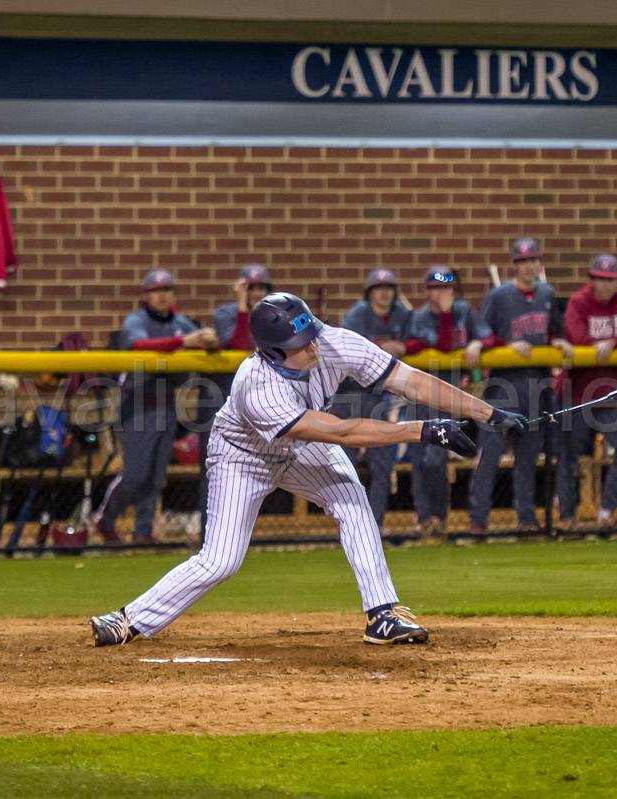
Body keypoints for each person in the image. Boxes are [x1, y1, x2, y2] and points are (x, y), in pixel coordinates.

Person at [87, 293, 526, 647]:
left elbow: (410, 380)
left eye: (312, 334)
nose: (314, 346)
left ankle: (383, 614)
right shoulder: (257, 385)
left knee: (353, 500)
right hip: (244, 456)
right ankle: (129, 619)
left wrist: (488, 413)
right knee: (221, 561)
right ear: (274, 351)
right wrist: (423, 430)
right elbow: (339, 432)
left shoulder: (335, 341)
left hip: (304, 444)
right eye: (302, 344)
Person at [96, 269, 219, 545]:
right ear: (146, 295)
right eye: (156, 291)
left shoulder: (179, 322)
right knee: (135, 474)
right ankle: (104, 518)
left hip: (165, 405)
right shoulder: (136, 320)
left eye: (167, 290)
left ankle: (142, 532)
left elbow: (202, 338)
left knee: (155, 477)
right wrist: (183, 342)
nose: (162, 295)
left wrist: (208, 339)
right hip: (137, 403)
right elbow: (138, 343)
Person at [464, 238, 572, 533]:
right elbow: (483, 334)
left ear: (540, 264)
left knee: (528, 456)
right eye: (523, 261)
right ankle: (478, 521)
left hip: (537, 385)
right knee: (490, 455)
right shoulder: (499, 296)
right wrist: (508, 344)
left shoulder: (547, 293)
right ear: (515, 265)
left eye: (534, 260)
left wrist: (558, 340)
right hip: (503, 387)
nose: (529, 266)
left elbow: (556, 332)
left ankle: (526, 519)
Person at [558, 255, 617, 531]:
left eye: (611, 280)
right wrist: (604, 343)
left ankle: (605, 512)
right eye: (601, 279)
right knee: (570, 456)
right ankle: (567, 517)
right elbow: (579, 338)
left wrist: (613, 342)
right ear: (591, 280)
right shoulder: (579, 302)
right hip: (579, 393)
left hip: (609, 391)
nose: (606, 285)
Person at [404, 267, 480, 537]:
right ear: (427, 290)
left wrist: (477, 344)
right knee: (420, 459)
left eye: (447, 287)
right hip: (422, 394)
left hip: (450, 398)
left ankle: (439, 517)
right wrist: (446, 313)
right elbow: (444, 344)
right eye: (436, 287)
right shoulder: (421, 316)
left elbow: (485, 334)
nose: (442, 292)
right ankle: (425, 518)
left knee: (436, 458)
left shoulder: (463, 310)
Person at [196, 264, 274, 522]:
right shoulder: (226, 312)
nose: (256, 292)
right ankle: (209, 534)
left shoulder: (274, 313)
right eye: (251, 287)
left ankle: (236, 531)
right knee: (216, 468)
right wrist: (242, 306)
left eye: (261, 287)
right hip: (221, 396)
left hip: (259, 399)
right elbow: (240, 343)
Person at [336, 268, 413, 530]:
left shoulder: (403, 314)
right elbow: (349, 351)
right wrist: (383, 346)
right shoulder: (358, 314)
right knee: (345, 464)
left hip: (381, 395)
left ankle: (374, 522)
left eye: (388, 288)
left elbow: (418, 340)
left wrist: (405, 347)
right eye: (378, 289)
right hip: (351, 395)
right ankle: (348, 523)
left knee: (382, 462)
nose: (384, 293)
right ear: (369, 293)